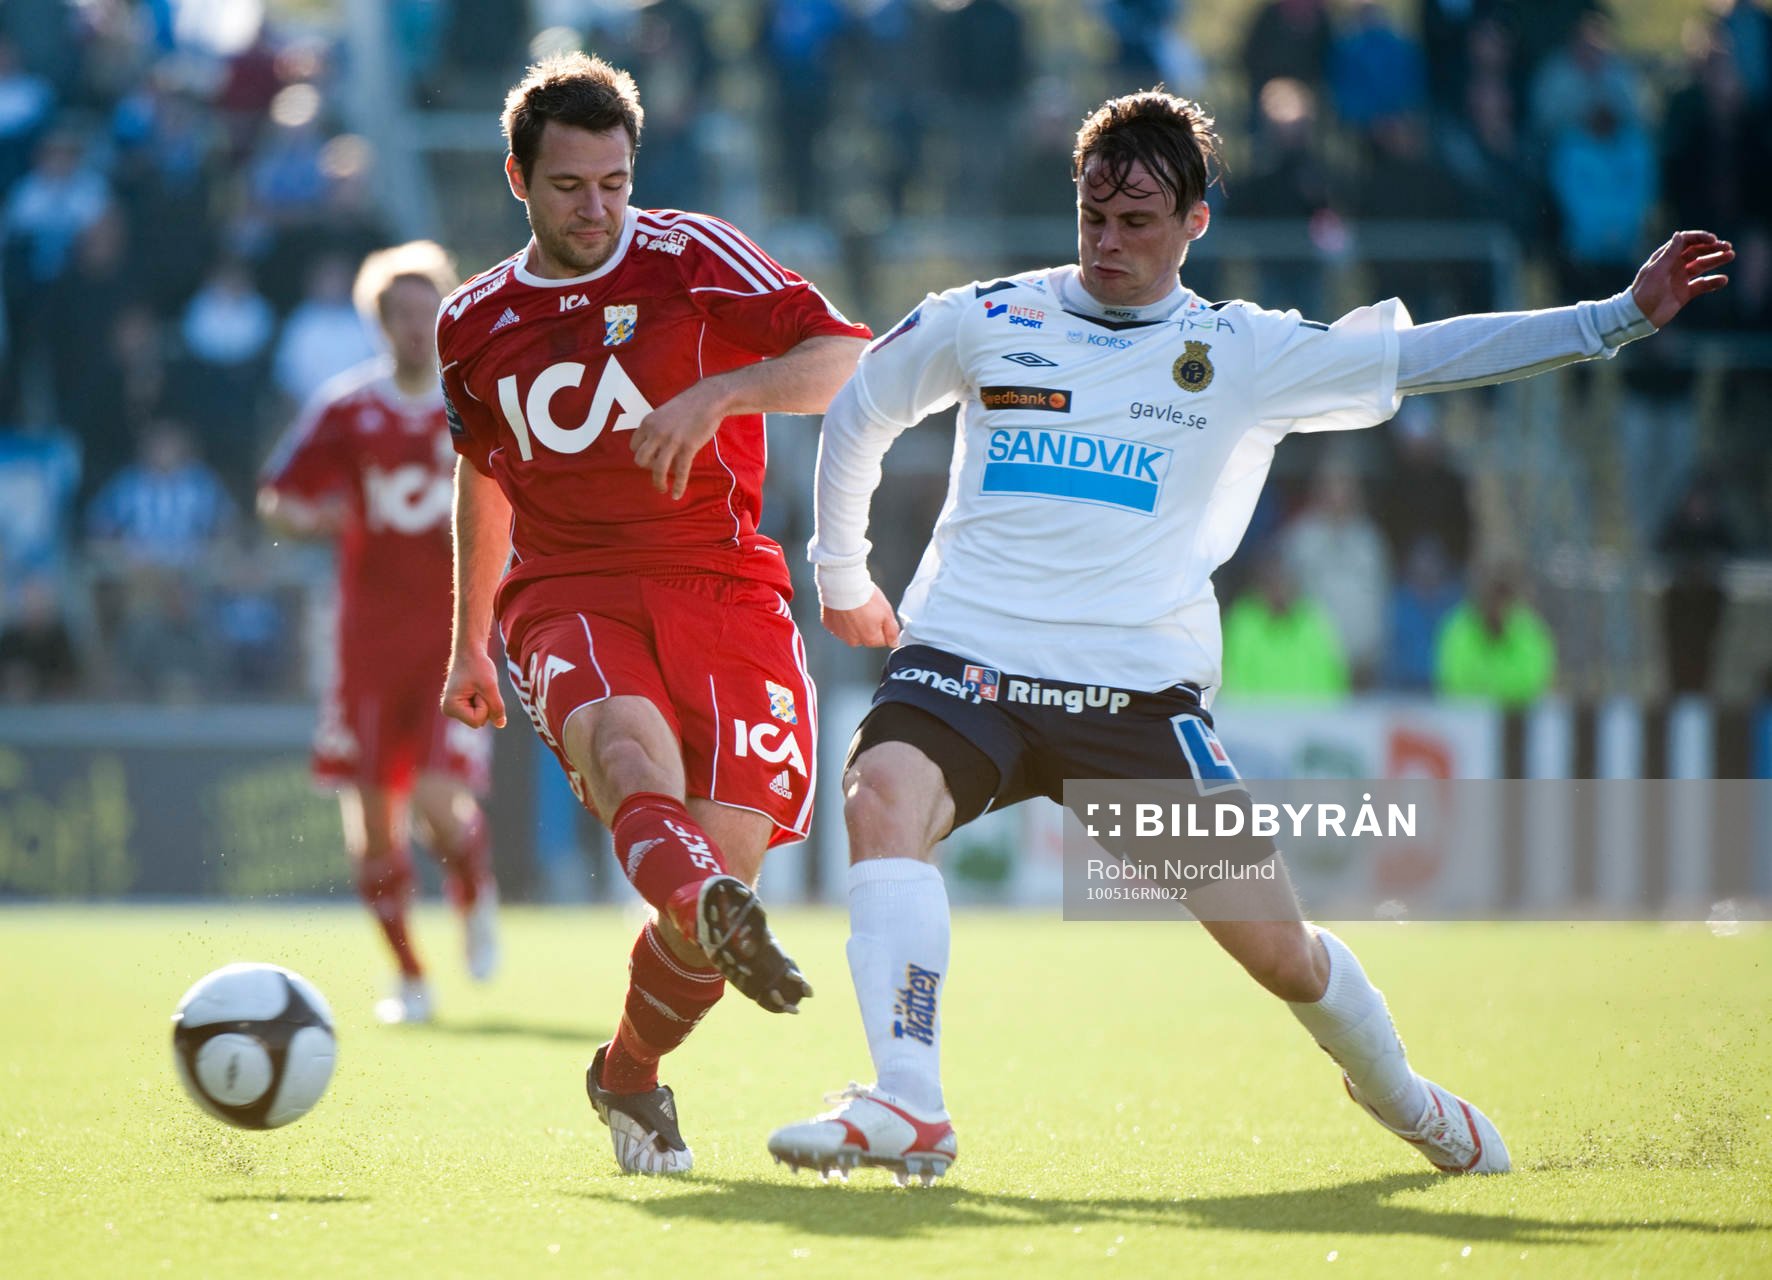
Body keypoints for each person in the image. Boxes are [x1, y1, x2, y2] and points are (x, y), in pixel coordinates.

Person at [767, 89, 1731, 1185]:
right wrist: (840, 572)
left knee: (1280, 952)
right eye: (1092, 217)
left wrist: (1612, 317)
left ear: (1194, 224)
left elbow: (1428, 356)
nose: (1107, 243)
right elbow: (864, 405)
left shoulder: (1240, 349)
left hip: (1132, 694)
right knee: (879, 796)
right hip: (967, 660)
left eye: (1137, 222)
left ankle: (1403, 1096)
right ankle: (908, 1099)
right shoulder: (988, 315)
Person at [435, 53, 870, 1175]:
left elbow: (847, 359)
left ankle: (627, 1069)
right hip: (568, 591)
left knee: (709, 884)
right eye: (569, 186)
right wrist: (469, 638)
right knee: (631, 758)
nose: (596, 209)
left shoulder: (693, 257)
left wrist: (724, 391)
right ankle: (707, 900)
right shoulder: (471, 323)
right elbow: (483, 474)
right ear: (517, 180)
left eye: (614, 183)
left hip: (724, 588)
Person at [259, 241, 499, 1025]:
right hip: (365, 645)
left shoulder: (474, 402)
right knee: (369, 831)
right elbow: (278, 495)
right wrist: (308, 517)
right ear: (380, 323)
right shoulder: (347, 406)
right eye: (401, 314)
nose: (416, 326)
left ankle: (474, 886)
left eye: (427, 310)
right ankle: (411, 977)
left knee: (435, 802)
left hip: (449, 641)